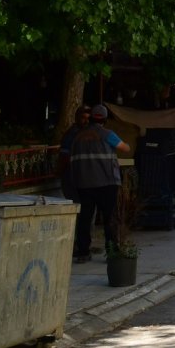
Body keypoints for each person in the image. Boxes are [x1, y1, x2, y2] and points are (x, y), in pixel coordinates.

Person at [66, 104, 131, 263]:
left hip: (83, 184)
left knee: (85, 219)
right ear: (105, 119)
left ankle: (83, 252)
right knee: (109, 218)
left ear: (91, 118)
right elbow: (125, 148)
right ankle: (111, 252)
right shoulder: (108, 134)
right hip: (106, 183)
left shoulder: (77, 137)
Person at [56, 104, 90, 204]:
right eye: (83, 118)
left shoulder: (89, 134)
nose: (86, 121)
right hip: (72, 178)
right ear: (77, 118)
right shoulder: (72, 134)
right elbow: (64, 156)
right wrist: (59, 172)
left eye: (88, 118)